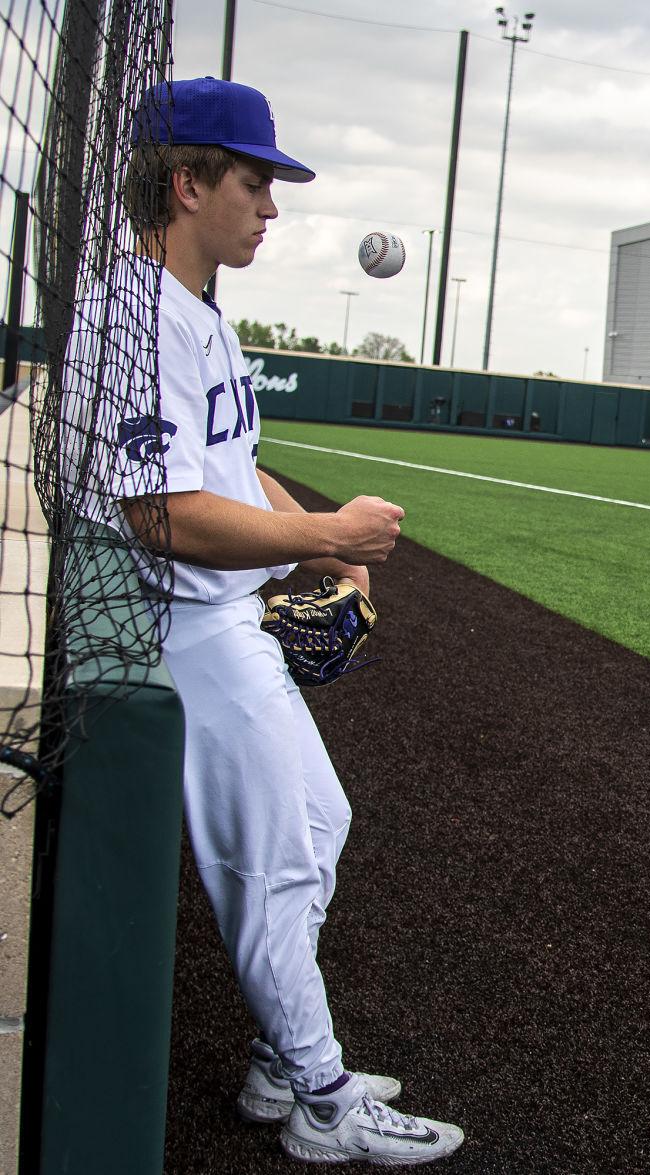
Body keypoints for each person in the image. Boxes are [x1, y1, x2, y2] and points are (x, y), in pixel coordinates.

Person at [94, 77, 464, 1165]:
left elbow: (228, 467)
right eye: (253, 182)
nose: (271, 206)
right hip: (175, 626)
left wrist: (322, 543)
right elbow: (161, 511)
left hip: (218, 617)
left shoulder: (194, 306)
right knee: (280, 859)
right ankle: (317, 1089)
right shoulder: (133, 313)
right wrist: (336, 529)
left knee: (318, 828)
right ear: (186, 181)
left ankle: (280, 1056)